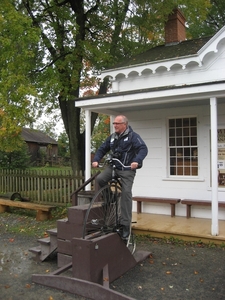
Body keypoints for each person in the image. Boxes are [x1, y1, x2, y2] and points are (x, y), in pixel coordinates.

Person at [92, 115, 148, 239]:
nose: (115, 125)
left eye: (117, 123)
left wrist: (137, 161)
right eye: (114, 123)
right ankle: (110, 197)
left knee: (126, 193)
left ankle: (125, 225)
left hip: (127, 169)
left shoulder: (133, 137)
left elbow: (143, 149)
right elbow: (102, 149)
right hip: (114, 167)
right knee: (100, 179)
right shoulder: (112, 138)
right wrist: (96, 159)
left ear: (124, 124)